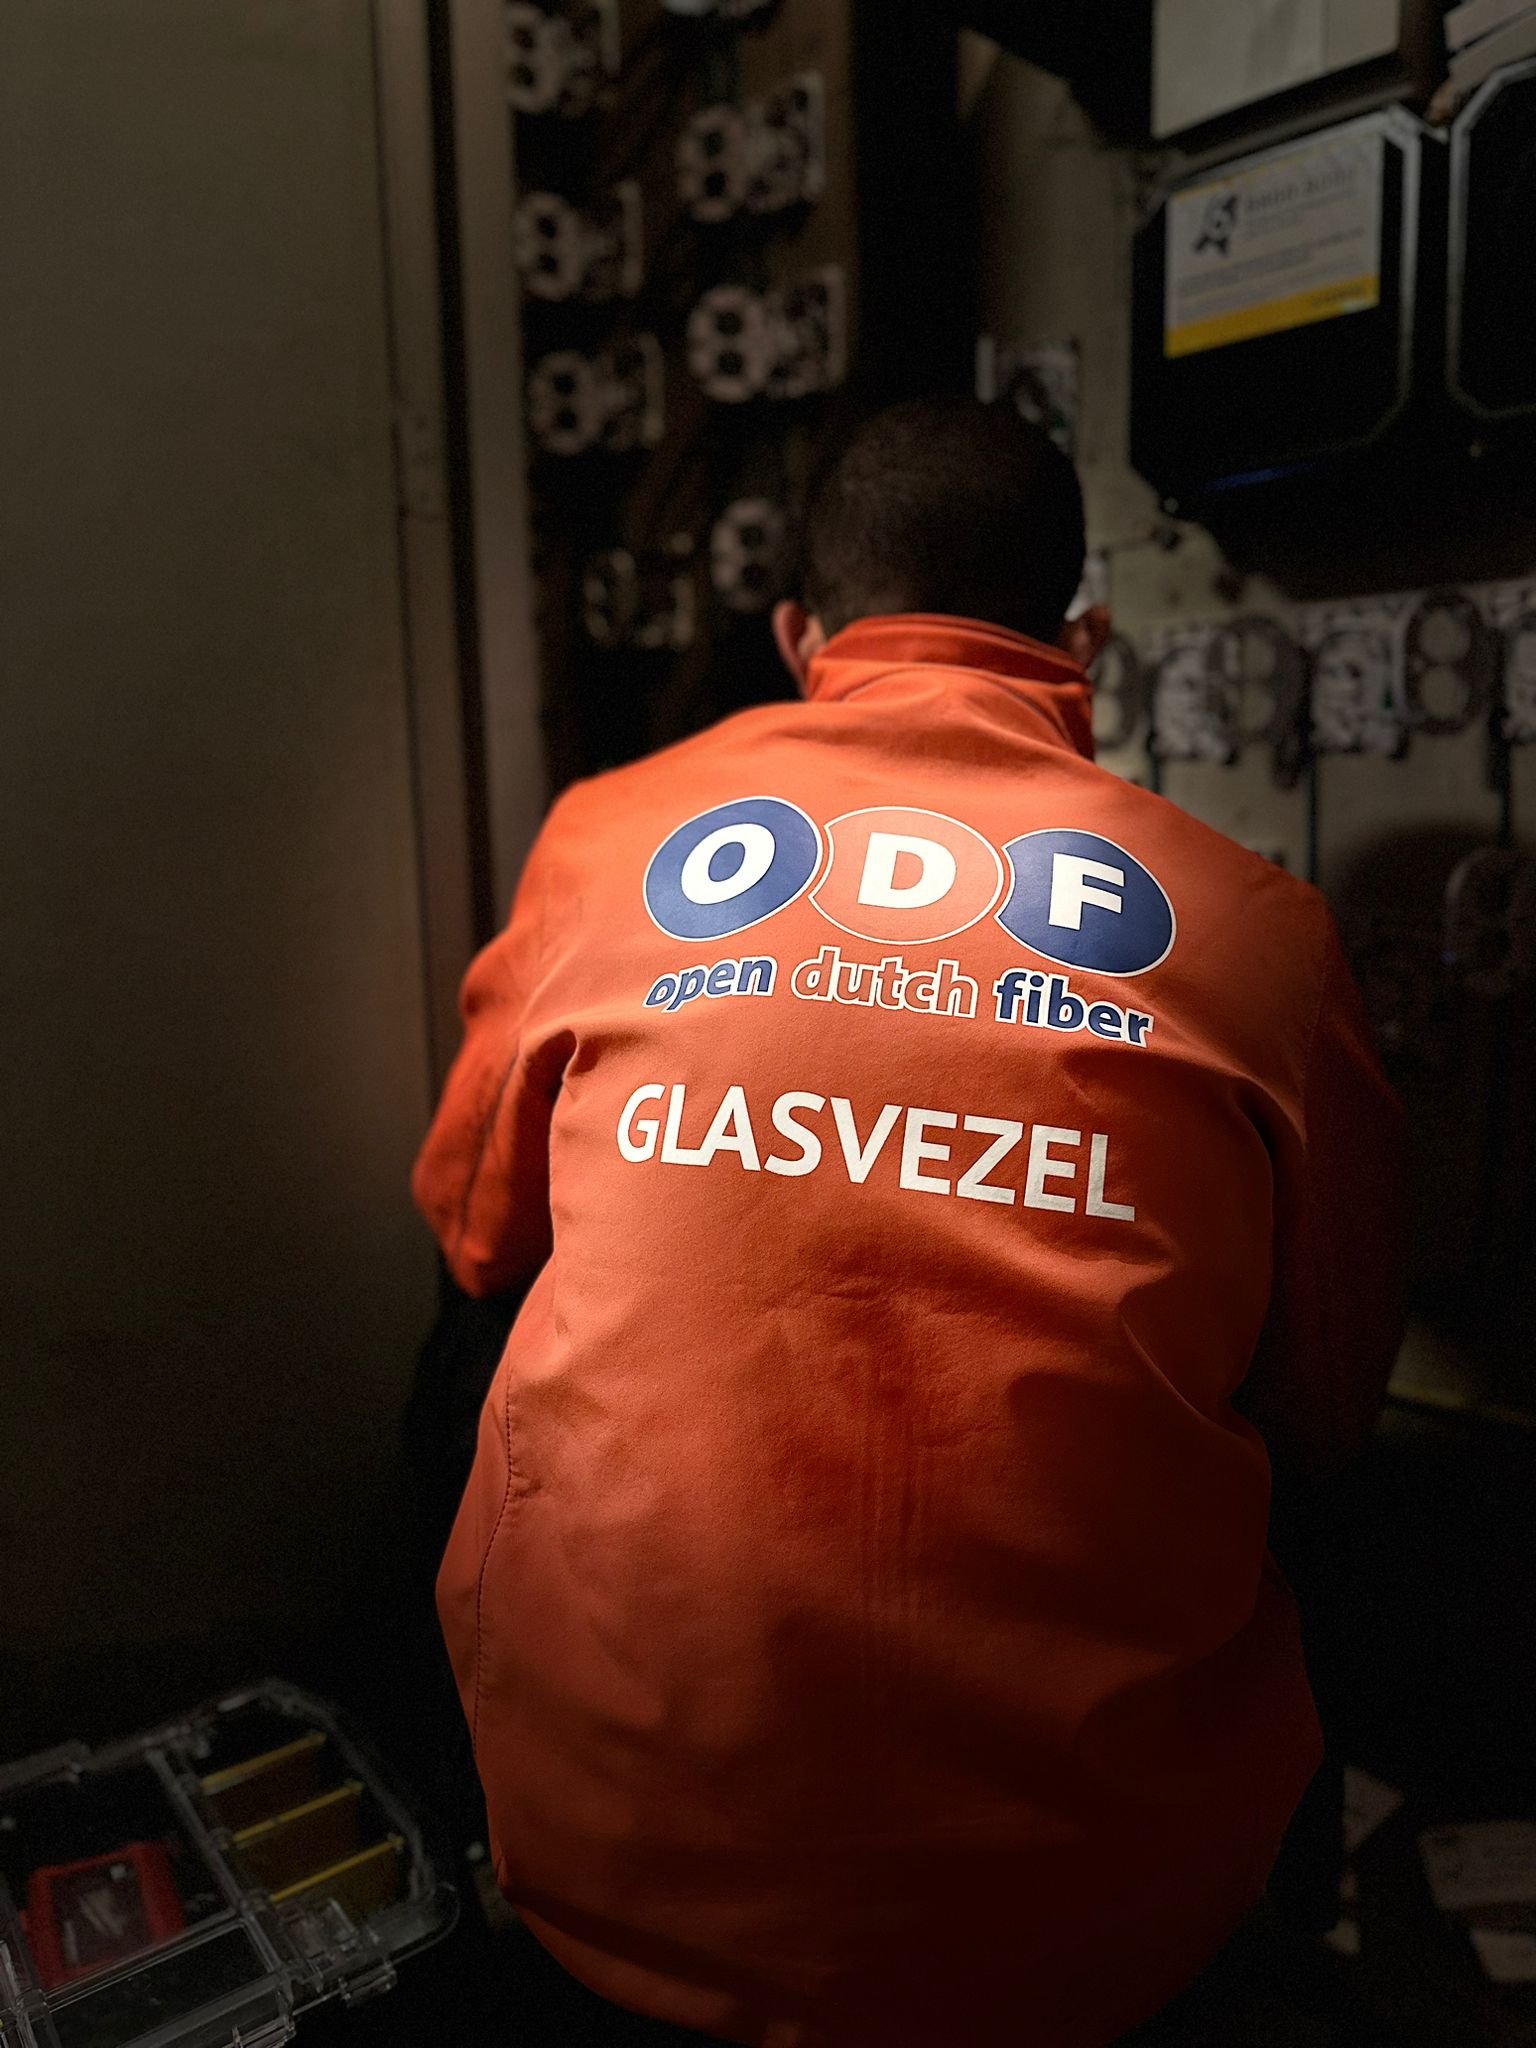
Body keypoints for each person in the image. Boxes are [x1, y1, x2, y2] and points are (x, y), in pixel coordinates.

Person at [410, 397, 1408, 2048]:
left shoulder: (606, 834)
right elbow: (1331, 1396)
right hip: (1100, 1925)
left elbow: (472, 1234)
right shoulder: (1264, 932)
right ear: (1083, 640)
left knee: (479, 1350)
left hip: (609, 1866)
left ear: (799, 635)